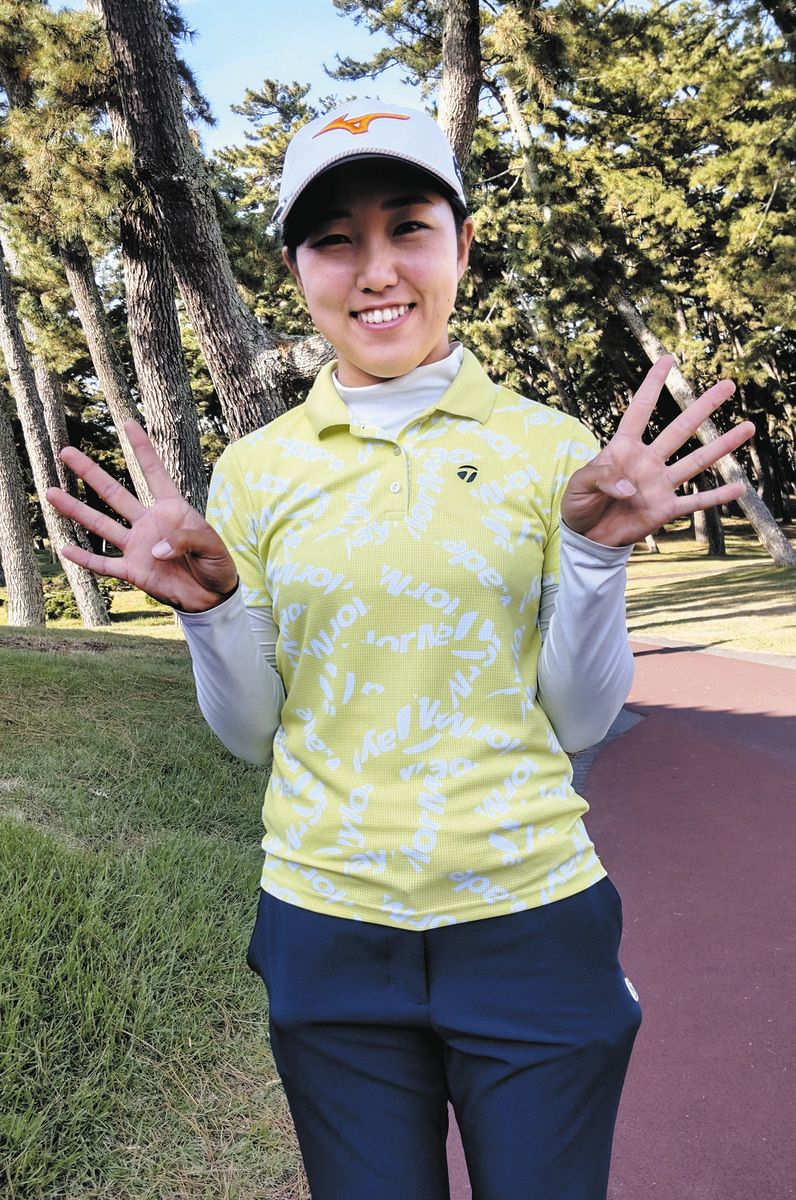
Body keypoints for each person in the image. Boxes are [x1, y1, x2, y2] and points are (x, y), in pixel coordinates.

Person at [47, 102, 753, 1200]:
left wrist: (593, 556)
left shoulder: (552, 450)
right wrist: (210, 610)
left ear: (461, 245)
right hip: (328, 928)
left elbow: (578, 718)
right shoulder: (257, 471)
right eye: (335, 240)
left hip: (531, 916)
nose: (376, 271)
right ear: (297, 271)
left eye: (408, 228)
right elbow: (252, 737)